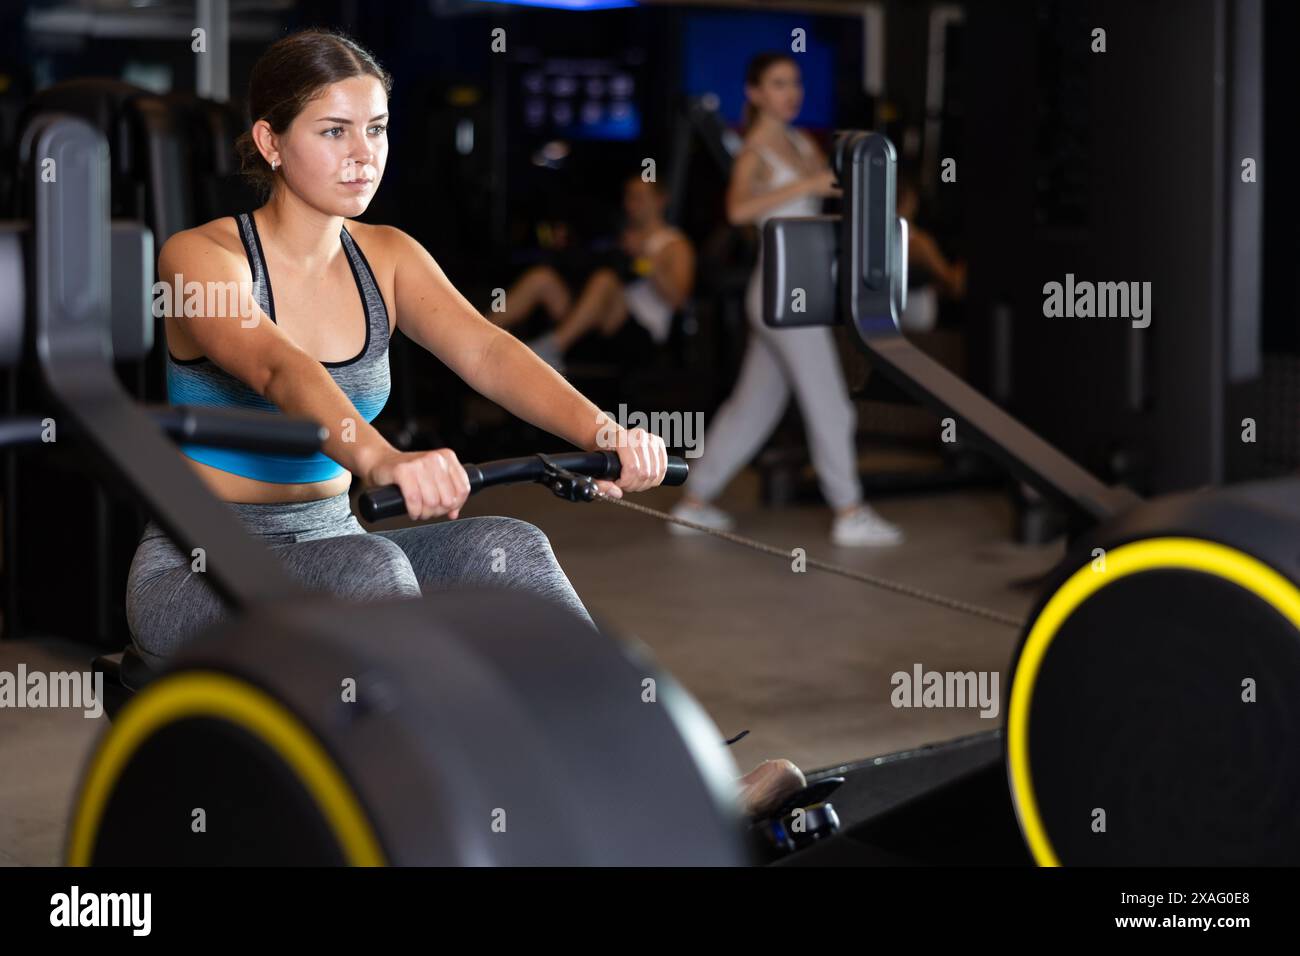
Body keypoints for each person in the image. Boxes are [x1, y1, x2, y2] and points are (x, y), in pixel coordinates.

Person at [126, 28, 801, 818]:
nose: (362, 155)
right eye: (333, 131)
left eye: (375, 129)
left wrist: (603, 434)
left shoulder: (387, 255)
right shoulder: (201, 258)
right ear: (271, 141)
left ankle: (664, 782)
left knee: (508, 547)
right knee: (374, 574)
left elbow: (486, 350)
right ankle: (462, 812)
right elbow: (279, 367)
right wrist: (381, 460)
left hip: (330, 541)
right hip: (199, 568)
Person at [670, 52, 903, 547]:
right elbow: (736, 211)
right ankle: (850, 511)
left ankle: (693, 501)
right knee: (832, 405)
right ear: (755, 93)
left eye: (794, 82)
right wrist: (808, 183)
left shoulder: (798, 140)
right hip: (784, 294)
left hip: (794, 290)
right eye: (778, 84)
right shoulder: (756, 149)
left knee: (751, 408)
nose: (790, 92)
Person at [489, 175, 695, 373]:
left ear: (661, 200)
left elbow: (678, 300)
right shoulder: (620, 235)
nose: (631, 203)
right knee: (542, 278)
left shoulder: (674, 244)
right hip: (592, 323)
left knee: (605, 281)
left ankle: (548, 349)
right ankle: (481, 331)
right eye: (628, 196)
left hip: (640, 334)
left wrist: (646, 261)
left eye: (639, 197)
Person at [896, 171, 967, 334]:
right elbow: (954, 285)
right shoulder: (917, 242)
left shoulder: (872, 234)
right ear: (909, 200)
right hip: (914, 331)